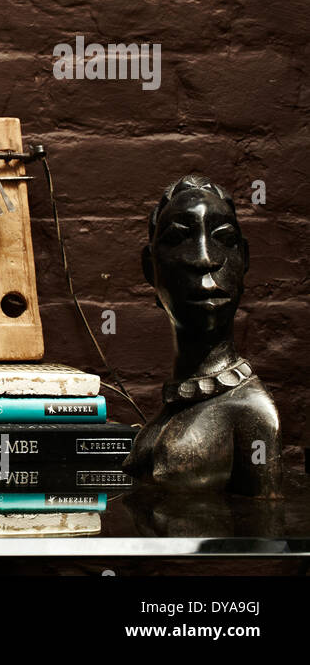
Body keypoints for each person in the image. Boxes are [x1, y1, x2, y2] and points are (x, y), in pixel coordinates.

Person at [122, 175, 281, 496]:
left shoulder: (251, 411)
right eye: (178, 237)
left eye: (224, 237)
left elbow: (267, 534)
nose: (205, 259)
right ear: (149, 268)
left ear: (245, 260)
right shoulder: (175, 408)